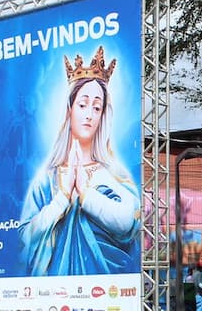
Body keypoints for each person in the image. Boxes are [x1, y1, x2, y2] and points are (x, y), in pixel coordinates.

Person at [20, 46, 140, 276]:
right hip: (53, 296)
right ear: (69, 109)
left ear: (103, 114)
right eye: (83, 105)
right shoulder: (47, 180)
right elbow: (23, 241)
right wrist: (62, 198)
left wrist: (86, 193)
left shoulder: (113, 172)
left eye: (97, 107)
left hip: (105, 291)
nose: (89, 114)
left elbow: (130, 221)